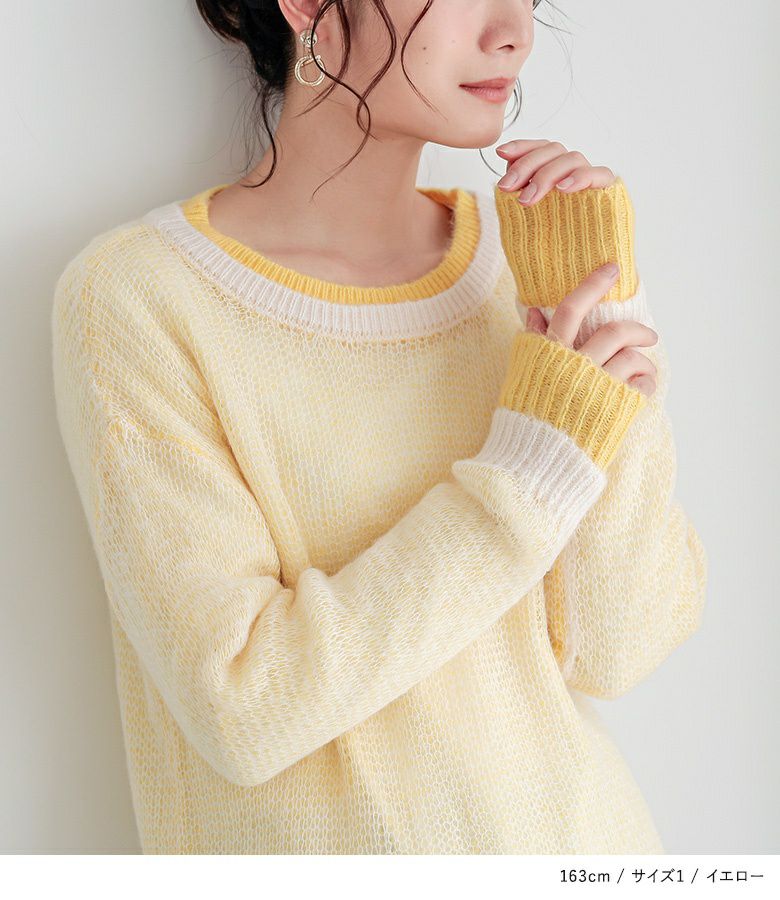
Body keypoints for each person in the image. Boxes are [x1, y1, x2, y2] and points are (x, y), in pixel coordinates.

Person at [50, 0, 707, 854]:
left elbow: (620, 649)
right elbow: (241, 707)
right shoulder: (143, 296)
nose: (513, 30)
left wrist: (605, 315)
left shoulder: (526, 263)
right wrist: (528, 474)